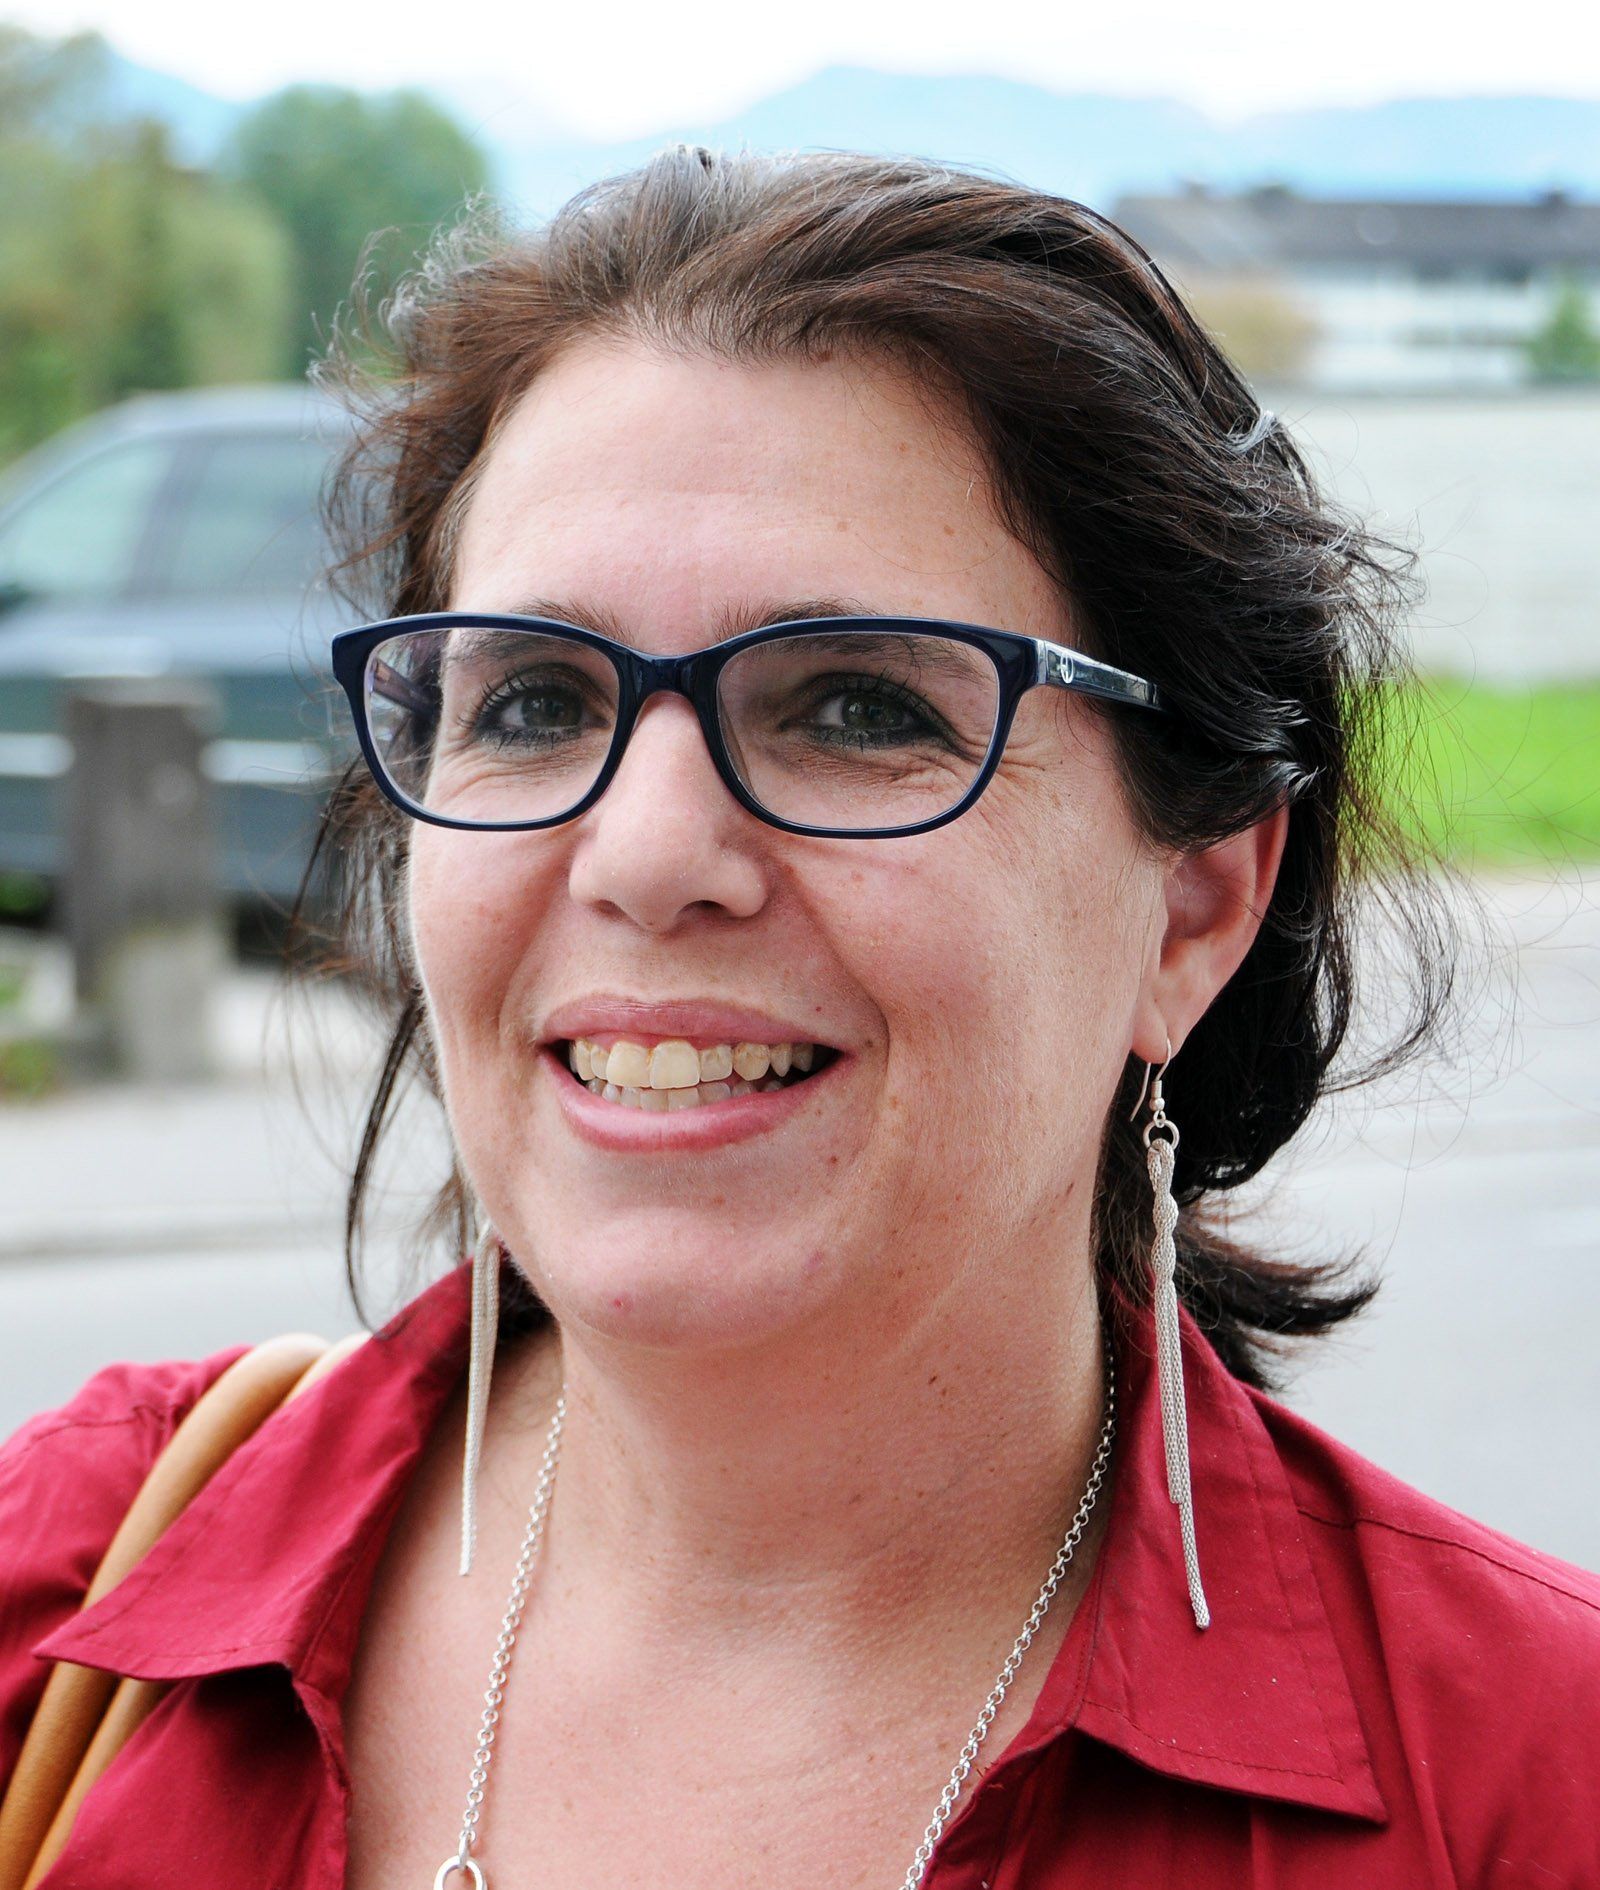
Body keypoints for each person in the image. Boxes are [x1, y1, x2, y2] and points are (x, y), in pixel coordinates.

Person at [2, 146, 1596, 1889]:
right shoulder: (63, 1596)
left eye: (853, 706)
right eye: (533, 700)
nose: (649, 853)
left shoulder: (1521, 1786)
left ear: (1196, 903)